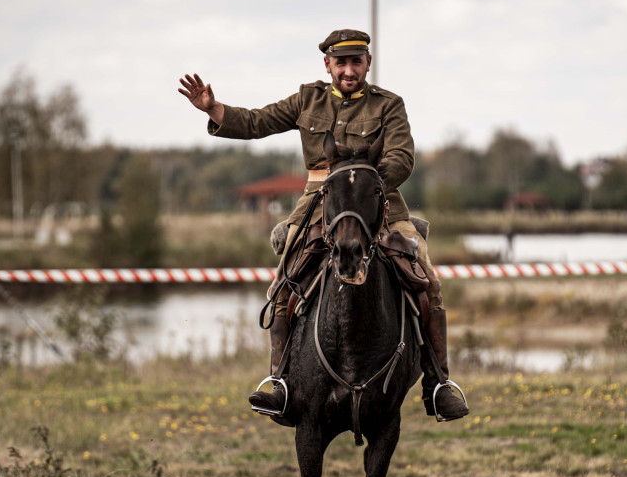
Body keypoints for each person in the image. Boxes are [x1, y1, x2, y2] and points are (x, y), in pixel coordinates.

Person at [178, 28, 469, 422]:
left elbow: (402, 157)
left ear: (367, 63)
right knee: (284, 279)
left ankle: (438, 383)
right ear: (327, 65)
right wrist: (213, 109)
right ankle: (278, 381)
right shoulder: (306, 99)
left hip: (379, 204)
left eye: (356, 62)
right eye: (341, 62)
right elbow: (257, 121)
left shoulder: (389, 105)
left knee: (427, 278)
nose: (349, 70)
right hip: (317, 208)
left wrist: (366, 188)